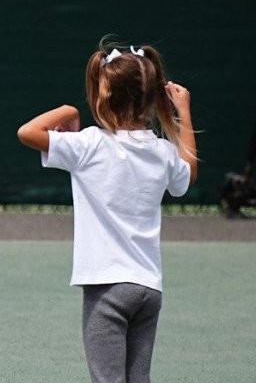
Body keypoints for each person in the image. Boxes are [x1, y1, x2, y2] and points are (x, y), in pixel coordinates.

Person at [17, 41, 198, 383]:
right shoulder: (161, 152)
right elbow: (187, 176)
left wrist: (69, 111)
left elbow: (27, 132)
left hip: (106, 289)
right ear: (150, 99)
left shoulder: (89, 145)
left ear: (104, 98)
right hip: (149, 289)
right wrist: (184, 112)